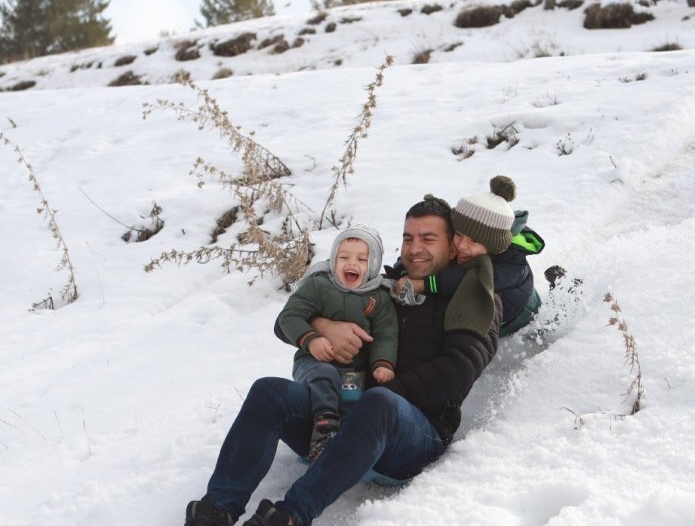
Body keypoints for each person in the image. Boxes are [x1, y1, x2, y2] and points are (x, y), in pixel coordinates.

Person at [185, 195, 499, 526]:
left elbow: (459, 371)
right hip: (348, 418)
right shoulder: (383, 287)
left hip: (414, 435)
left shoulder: (475, 298)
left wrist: (378, 395)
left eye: (428, 238)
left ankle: (291, 515)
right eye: (409, 237)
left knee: (379, 401)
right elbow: (285, 323)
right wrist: (323, 327)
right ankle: (218, 508)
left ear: (452, 247)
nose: (414, 247)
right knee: (269, 392)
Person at [276, 225, 398, 461]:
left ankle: (339, 450)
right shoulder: (319, 285)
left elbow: (386, 334)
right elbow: (289, 316)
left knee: (351, 399)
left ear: (372, 266)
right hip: (312, 362)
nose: (351, 263)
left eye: (362, 259)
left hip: (352, 370)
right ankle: (323, 430)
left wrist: (383, 363)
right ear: (333, 259)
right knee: (324, 376)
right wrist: (311, 340)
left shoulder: (380, 297)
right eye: (343, 257)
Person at [391, 176, 546, 336]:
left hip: (521, 317)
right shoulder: (470, 246)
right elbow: (431, 253)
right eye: (458, 234)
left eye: (474, 240)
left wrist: (424, 284)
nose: (462, 245)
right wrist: (401, 270)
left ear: (493, 245)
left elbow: (469, 280)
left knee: (543, 331)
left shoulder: (511, 264)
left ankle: (563, 297)